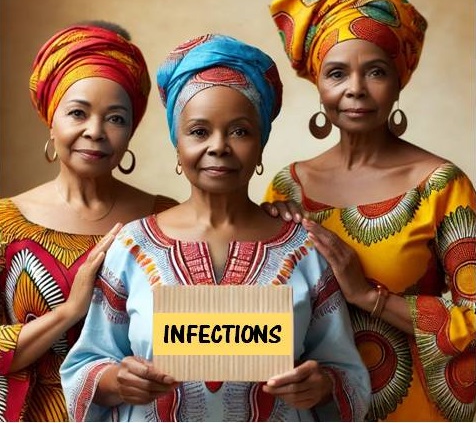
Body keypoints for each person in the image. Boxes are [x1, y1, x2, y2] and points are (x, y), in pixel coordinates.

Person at [60, 33, 371, 422]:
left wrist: (322, 385)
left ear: (261, 145)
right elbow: (87, 362)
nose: (219, 146)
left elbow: (348, 373)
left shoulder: (304, 250)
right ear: (177, 143)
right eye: (199, 131)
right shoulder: (133, 246)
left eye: (240, 131)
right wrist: (114, 381)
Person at [262, 0, 476, 421]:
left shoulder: (440, 185)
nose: (355, 88)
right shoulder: (288, 188)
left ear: (399, 82)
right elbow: (267, 311)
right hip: (316, 410)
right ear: (319, 85)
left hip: (414, 411)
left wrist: (365, 295)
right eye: (337, 73)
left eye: (376, 71)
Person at [0, 22, 177, 421]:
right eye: (78, 112)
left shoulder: (167, 218)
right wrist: (70, 310)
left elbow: (210, 331)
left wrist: (272, 218)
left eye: (115, 118)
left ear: (132, 128)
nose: (95, 132)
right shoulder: (6, 222)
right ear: (51, 117)